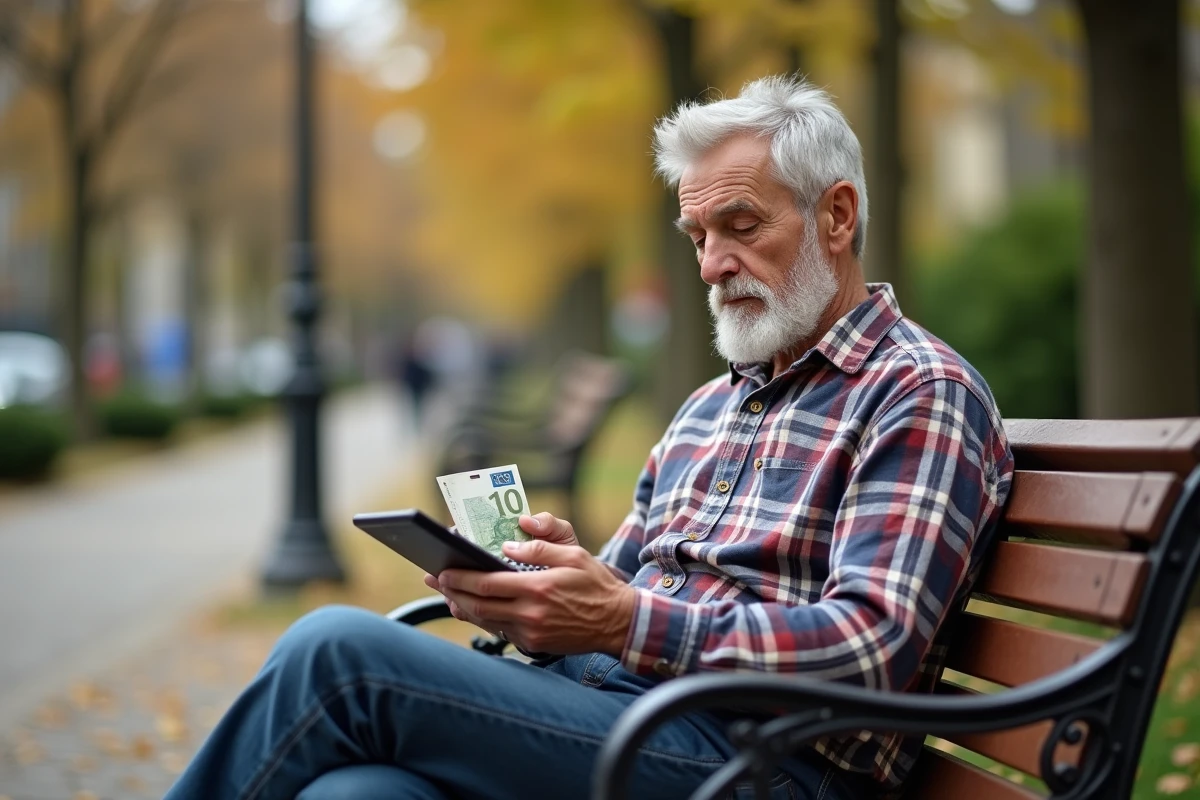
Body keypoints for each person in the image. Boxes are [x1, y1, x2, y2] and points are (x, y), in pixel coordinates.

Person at [165, 75, 1013, 800]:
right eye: (698, 238)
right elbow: (625, 592)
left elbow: (871, 646)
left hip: (763, 765)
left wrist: (622, 619)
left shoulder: (917, 391)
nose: (713, 262)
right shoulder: (708, 410)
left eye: (741, 227)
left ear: (837, 215)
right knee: (357, 792)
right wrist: (549, 583)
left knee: (336, 653)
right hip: (627, 715)